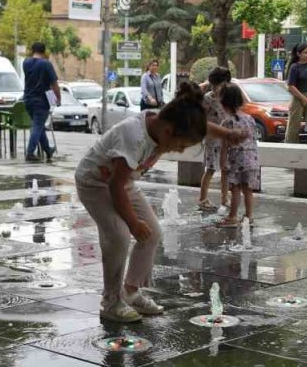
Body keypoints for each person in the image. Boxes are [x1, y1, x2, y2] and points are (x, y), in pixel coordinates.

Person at [74, 83, 209, 322]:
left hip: (121, 182)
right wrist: (133, 223)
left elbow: (121, 184)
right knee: (120, 235)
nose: (178, 151)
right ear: (168, 131)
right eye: (180, 146)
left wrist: (228, 134)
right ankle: (111, 301)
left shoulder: (161, 125)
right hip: (94, 183)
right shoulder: (133, 135)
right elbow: (115, 187)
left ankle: (130, 291)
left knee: (153, 233)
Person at [216, 84, 260, 227]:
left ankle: (232, 217)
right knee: (248, 189)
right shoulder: (250, 119)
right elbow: (253, 139)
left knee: (235, 189)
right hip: (252, 159)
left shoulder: (227, 122)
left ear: (223, 102)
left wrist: (223, 163)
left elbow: (225, 145)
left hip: (236, 159)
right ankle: (249, 216)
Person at [197, 67, 233, 211]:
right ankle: (202, 199)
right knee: (210, 169)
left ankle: (225, 198)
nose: (223, 87)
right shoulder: (208, 99)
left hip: (225, 139)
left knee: (226, 169)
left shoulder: (226, 98)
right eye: (221, 84)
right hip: (212, 140)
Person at [22, 42, 61, 162]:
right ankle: (30, 152)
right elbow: (54, 83)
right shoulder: (46, 64)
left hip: (28, 99)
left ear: (32, 50)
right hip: (41, 100)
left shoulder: (26, 62)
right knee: (37, 126)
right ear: (44, 52)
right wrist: (58, 98)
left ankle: (47, 150)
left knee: (38, 126)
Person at [285, 43, 307, 144]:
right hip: (297, 97)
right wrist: (302, 98)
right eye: (305, 52)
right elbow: (291, 86)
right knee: (294, 125)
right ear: (298, 54)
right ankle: (291, 146)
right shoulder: (294, 67)